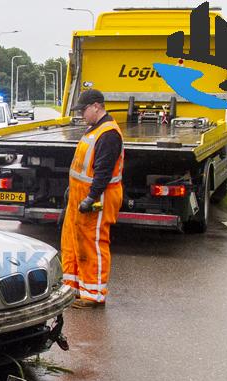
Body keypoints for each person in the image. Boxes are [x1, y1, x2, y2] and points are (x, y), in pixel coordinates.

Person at [61, 89, 124, 309]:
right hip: (80, 197)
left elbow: (103, 172)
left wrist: (91, 197)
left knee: (92, 244)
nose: (81, 115)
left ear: (96, 106)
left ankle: (94, 295)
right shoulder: (93, 130)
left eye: (84, 110)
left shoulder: (108, 134)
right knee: (73, 243)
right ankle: (74, 288)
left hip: (97, 199)